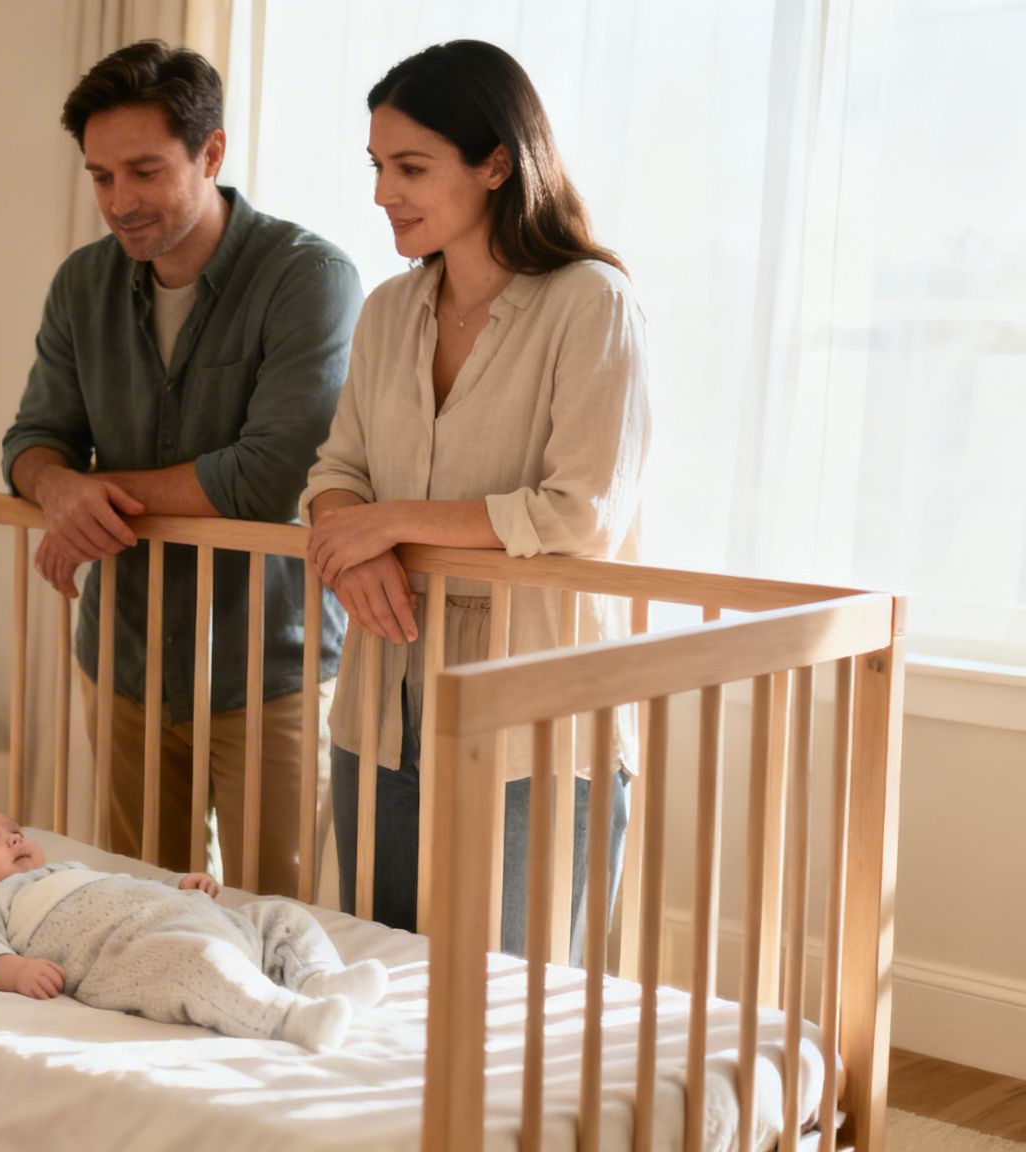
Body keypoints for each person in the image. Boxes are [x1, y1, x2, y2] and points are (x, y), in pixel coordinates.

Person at [301, 40, 650, 955]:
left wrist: (393, 522)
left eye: (410, 167)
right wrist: (351, 530)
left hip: (537, 707)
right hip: (382, 699)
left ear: (497, 162)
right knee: (381, 977)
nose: (384, 193)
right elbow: (334, 471)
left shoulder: (591, 303)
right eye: (377, 166)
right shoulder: (387, 311)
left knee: (510, 1007)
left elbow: (583, 511)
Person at [1, 40, 361, 895]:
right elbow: (32, 441)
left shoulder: (308, 277)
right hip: (125, 660)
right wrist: (59, 489)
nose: (119, 203)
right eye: (100, 177)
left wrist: (96, 500)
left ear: (212, 153)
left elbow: (272, 475)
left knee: (276, 916)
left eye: (145, 172)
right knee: (138, 911)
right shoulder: (81, 285)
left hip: (268, 664)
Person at [0, 805, 387, 1052]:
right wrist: (13, 971)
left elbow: (131, 883)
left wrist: (178, 884)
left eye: (13, 828)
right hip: (134, 956)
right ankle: (289, 1019)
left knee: (280, 915)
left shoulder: (68, 868)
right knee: (194, 964)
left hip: (197, 917)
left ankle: (318, 978)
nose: (13, 837)